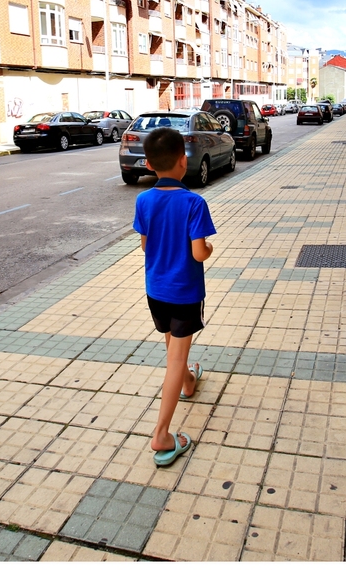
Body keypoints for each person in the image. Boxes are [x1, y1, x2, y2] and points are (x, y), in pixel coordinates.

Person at [132, 127, 216, 467]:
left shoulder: (143, 200)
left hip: (156, 290)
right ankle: (162, 434)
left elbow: (145, 245)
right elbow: (199, 254)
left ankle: (189, 382)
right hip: (184, 292)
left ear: (150, 165)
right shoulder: (194, 202)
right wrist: (208, 246)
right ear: (184, 161)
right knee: (176, 358)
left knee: (174, 345)